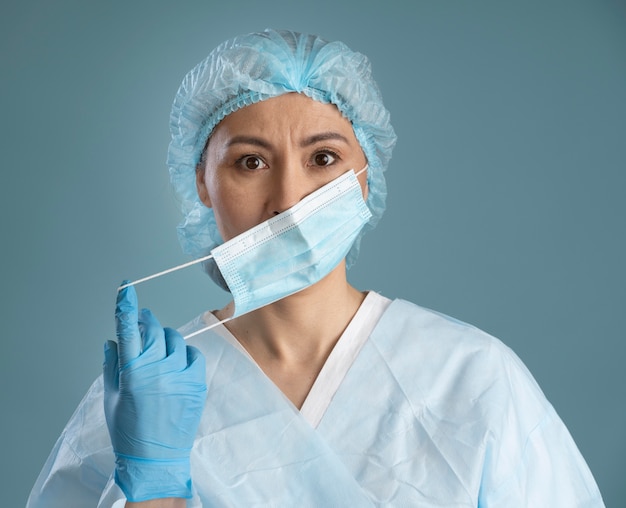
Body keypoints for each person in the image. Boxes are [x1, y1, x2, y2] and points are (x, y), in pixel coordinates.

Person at [28, 29, 605, 507]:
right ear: (202, 184)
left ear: (365, 176)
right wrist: (152, 484)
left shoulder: (470, 379)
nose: (288, 199)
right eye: (250, 162)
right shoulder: (139, 406)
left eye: (323, 158)